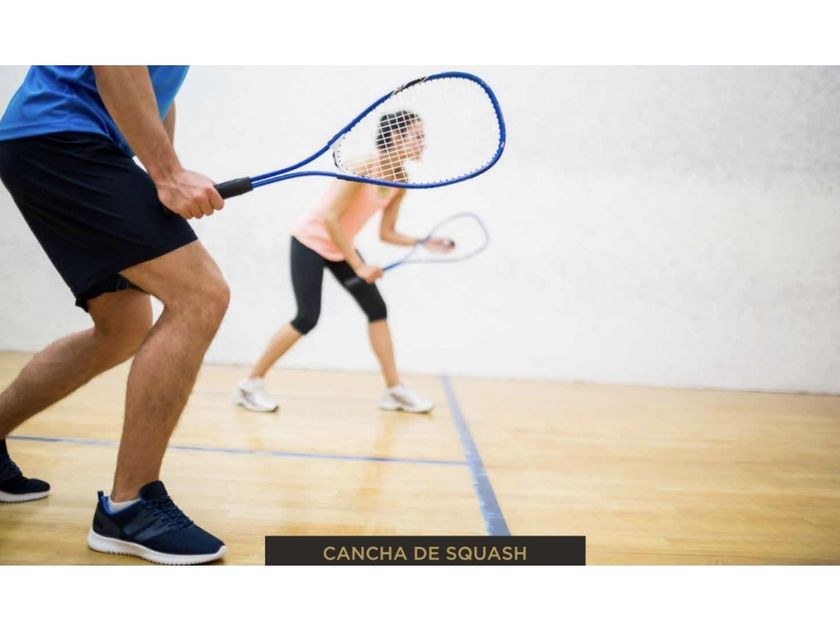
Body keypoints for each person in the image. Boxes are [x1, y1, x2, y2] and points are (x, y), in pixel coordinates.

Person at [0, 66, 228, 565]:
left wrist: (159, 174)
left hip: (54, 142)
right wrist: (167, 174)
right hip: (62, 139)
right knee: (201, 296)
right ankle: (130, 507)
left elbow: (158, 88)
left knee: (122, 329)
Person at [234, 111, 449, 414]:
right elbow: (330, 219)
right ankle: (249, 385)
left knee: (377, 310)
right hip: (309, 241)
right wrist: (359, 266)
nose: (423, 143)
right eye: (418, 136)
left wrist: (423, 241)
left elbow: (387, 232)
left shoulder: (401, 181)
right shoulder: (362, 167)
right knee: (307, 317)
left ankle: (394, 390)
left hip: (339, 247)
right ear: (395, 136)